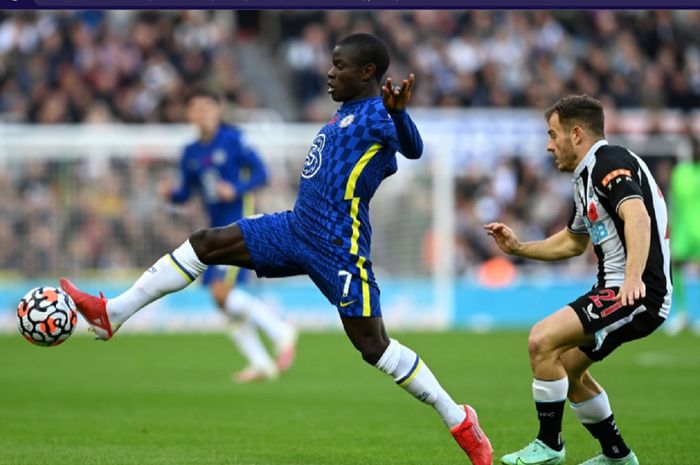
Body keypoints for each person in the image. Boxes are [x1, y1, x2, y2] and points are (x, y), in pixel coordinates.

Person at [60, 33, 492, 465]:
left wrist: (400, 115)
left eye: (339, 65)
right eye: (331, 63)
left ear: (367, 73)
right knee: (205, 243)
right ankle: (111, 313)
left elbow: (413, 149)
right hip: (295, 227)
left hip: (339, 244)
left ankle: (458, 419)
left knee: (373, 346)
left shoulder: (380, 113)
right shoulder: (344, 114)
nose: (329, 72)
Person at [485, 95, 671, 465]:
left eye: (553, 135)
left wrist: (632, 278)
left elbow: (637, 218)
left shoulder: (609, 162)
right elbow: (573, 242)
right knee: (567, 368)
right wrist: (519, 247)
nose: (548, 144)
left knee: (541, 340)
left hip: (635, 292)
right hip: (617, 289)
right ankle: (617, 456)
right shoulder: (586, 176)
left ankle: (550, 445)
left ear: (576, 134)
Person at [159, 88, 297, 382]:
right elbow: (185, 193)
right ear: (189, 114)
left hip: (239, 224)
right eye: (196, 108)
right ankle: (261, 363)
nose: (202, 114)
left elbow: (262, 173)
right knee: (220, 299)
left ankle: (281, 331)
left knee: (220, 291)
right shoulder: (191, 153)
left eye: (207, 107)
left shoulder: (234, 140)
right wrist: (171, 194)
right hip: (215, 228)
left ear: (218, 110)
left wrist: (235, 189)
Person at [665, 134, 700, 335]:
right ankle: (682, 313)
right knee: (674, 266)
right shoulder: (680, 173)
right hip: (684, 231)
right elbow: (674, 203)